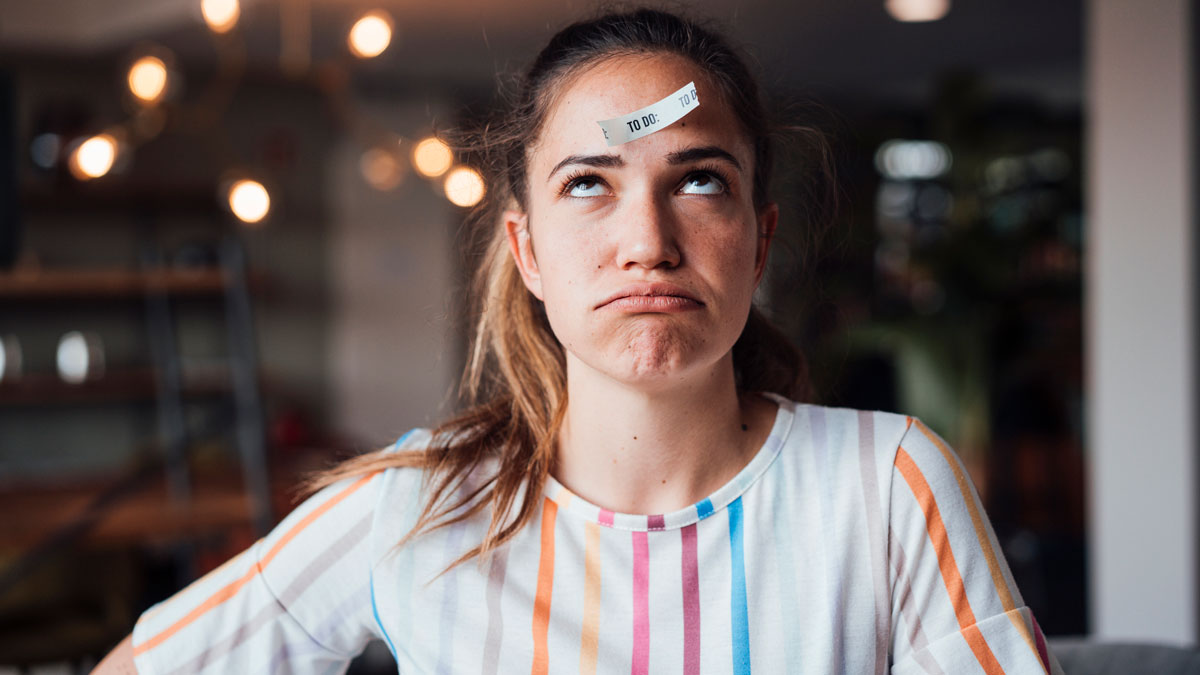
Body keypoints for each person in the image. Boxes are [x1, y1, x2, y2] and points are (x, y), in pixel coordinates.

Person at [96, 8, 1062, 674]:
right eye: (589, 184)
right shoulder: (411, 507)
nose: (647, 243)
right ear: (527, 251)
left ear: (759, 238)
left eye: (700, 180)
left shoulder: (886, 482)